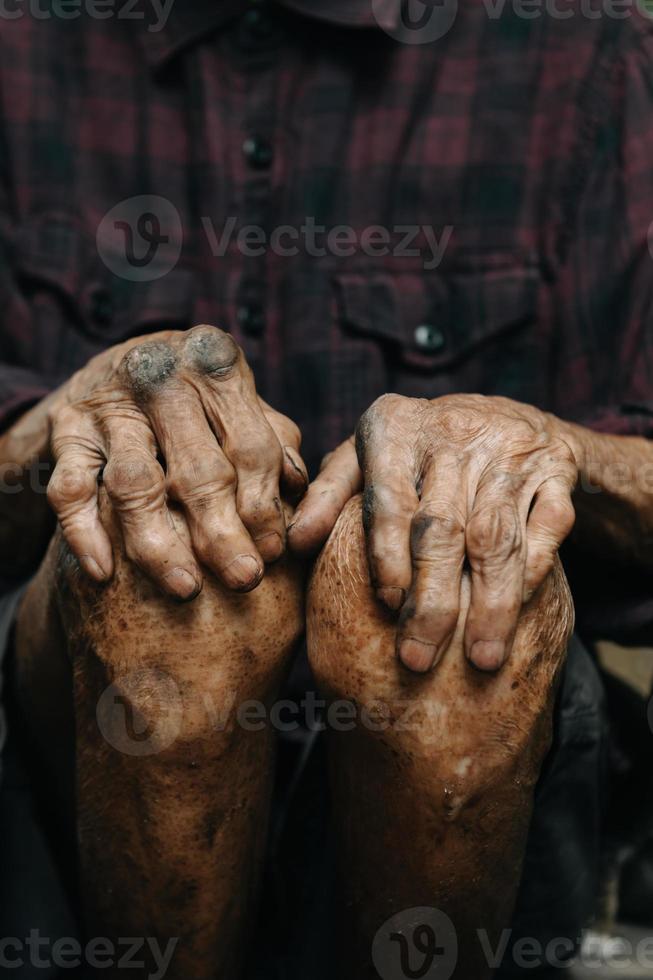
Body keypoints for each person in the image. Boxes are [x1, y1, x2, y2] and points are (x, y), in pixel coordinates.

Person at [1, 1, 653, 977]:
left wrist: (546, 446)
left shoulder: (587, 53)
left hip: (487, 764)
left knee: (417, 584)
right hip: (73, 761)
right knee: (175, 571)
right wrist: (47, 435)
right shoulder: (19, 47)